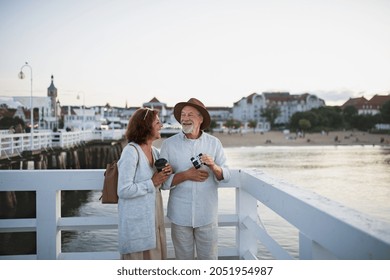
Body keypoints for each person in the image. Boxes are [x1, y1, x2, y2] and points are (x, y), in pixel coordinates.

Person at [160, 98, 231, 260]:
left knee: (210, 262)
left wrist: (213, 166)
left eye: (190, 114)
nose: (184, 118)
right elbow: (163, 183)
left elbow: (226, 175)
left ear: (200, 119)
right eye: (183, 115)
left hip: (207, 215)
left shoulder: (214, 143)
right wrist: (186, 175)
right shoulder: (169, 145)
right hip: (180, 216)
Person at [117, 107, 172, 260]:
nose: (161, 126)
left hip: (154, 218)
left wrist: (166, 173)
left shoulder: (155, 152)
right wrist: (152, 182)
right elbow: (123, 190)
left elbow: (159, 183)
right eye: (157, 123)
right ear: (146, 126)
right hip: (137, 224)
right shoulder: (130, 152)